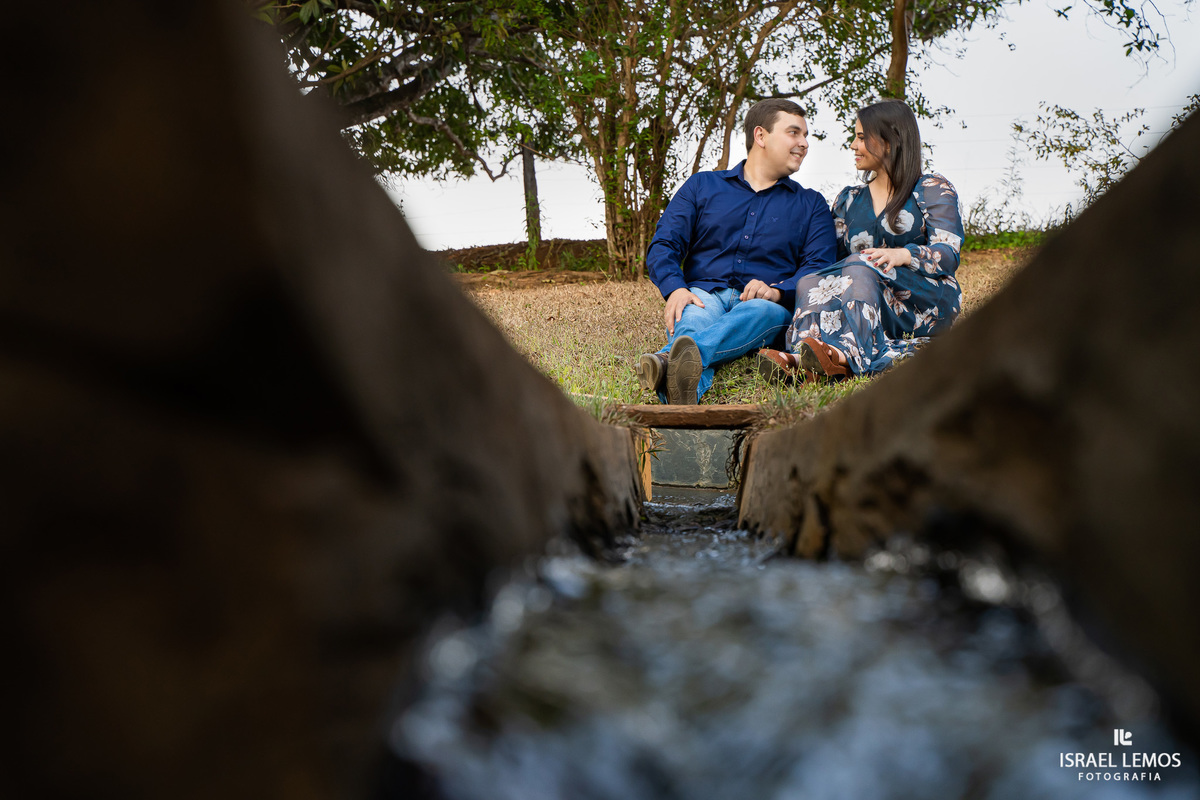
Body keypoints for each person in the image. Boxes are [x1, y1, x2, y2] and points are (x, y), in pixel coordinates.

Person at [636, 98, 837, 404]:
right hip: (703, 295)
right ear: (761, 135)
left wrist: (777, 291)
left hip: (764, 306)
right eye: (794, 133)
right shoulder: (702, 186)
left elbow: (818, 266)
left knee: (759, 313)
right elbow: (665, 243)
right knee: (692, 320)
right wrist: (675, 288)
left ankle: (665, 360)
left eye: (805, 135)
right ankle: (681, 392)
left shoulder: (811, 204)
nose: (804, 143)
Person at [756, 99, 965, 381]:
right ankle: (813, 354)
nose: (854, 145)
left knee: (859, 266)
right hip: (861, 295)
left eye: (862, 137)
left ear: (890, 141)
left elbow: (949, 252)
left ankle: (836, 356)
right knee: (812, 281)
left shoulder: (931, 189)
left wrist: (903, 254)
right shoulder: (849, 200)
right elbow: (830, 261)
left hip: (921, 299)